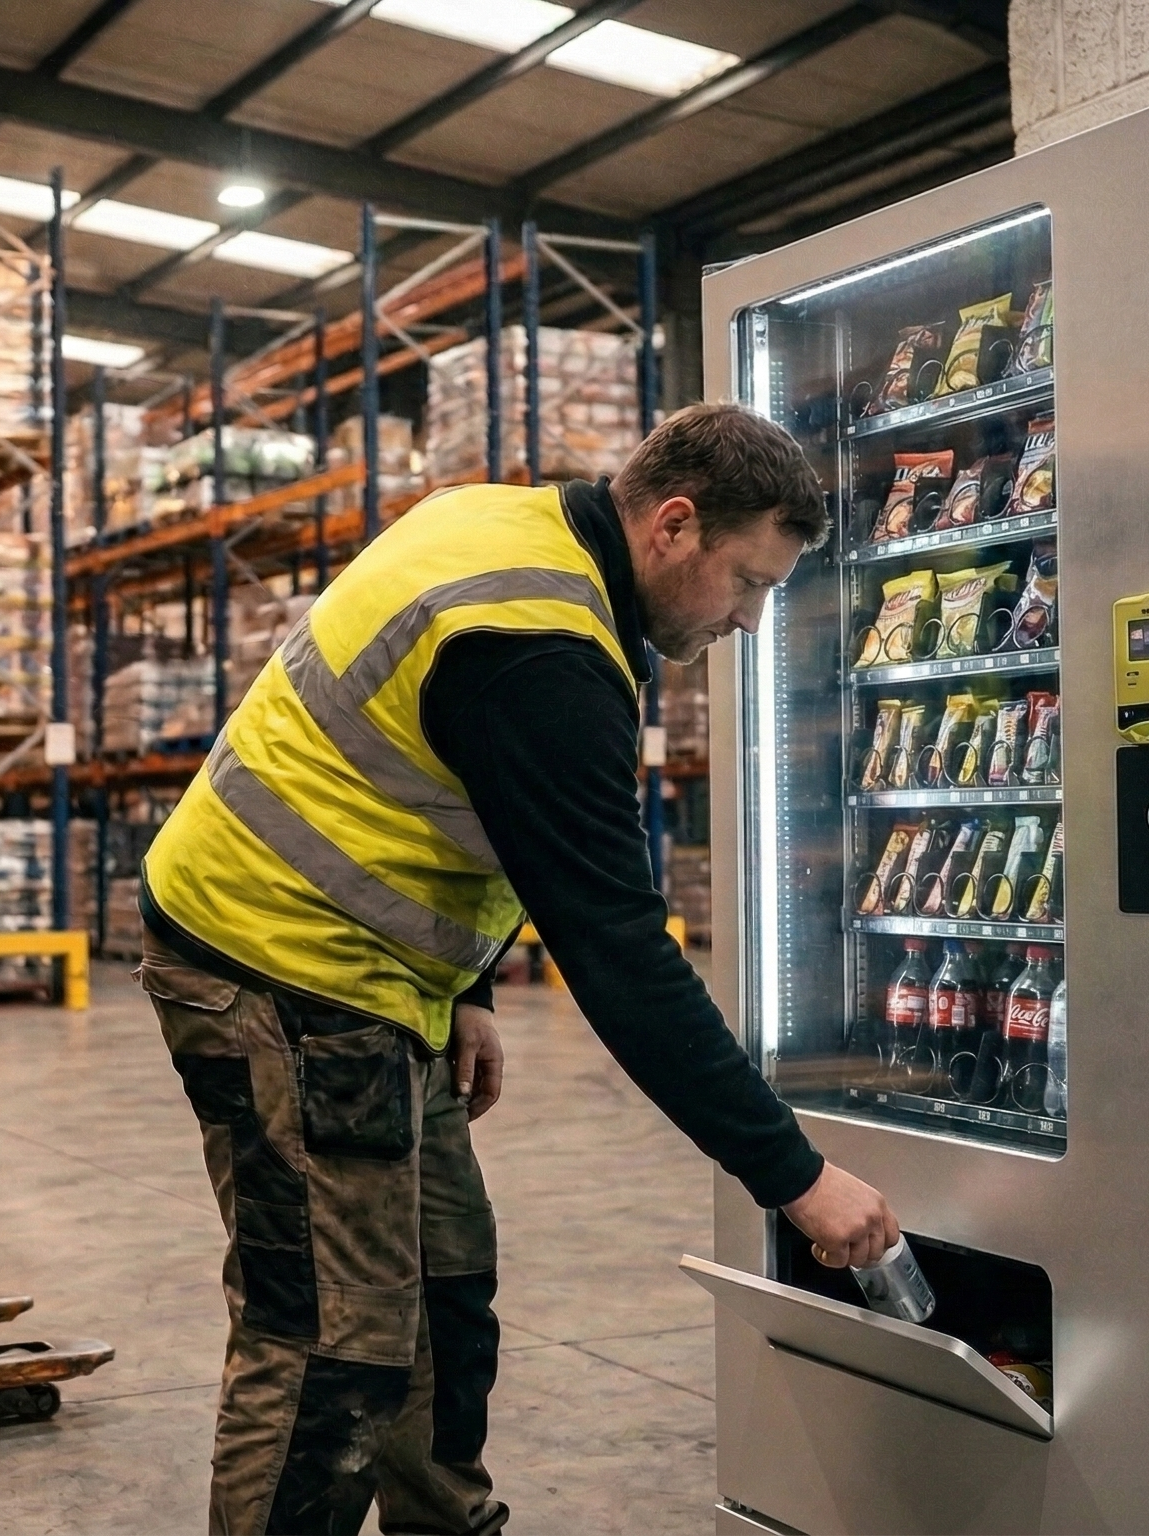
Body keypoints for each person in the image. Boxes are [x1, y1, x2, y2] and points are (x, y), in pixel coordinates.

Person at [136, 402, 899, 1536]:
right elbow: (617, 956)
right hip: (273, 959)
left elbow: (447, 772)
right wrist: (793, 1177)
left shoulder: (510, 524)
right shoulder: (541, 651)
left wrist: (468, 988)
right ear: (674, 526)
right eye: (747, 584)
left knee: (444, 1292)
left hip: (380, 971)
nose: (747, 620)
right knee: (330, 1341)